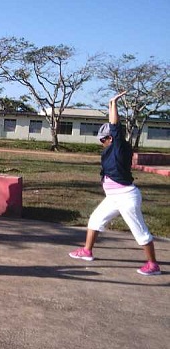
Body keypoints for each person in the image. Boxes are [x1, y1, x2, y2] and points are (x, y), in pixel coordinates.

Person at [69, 91, 161, 276]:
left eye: (103, 139)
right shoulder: (111, 151)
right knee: (95, 220)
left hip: (126, 197)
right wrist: (110, 104)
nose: (101, 143)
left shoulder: (119, 147)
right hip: (113, 197)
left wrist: (113, 103)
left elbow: (115, 126)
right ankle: (87, 251)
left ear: (111, 138)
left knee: (139, 231)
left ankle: (153, 265)